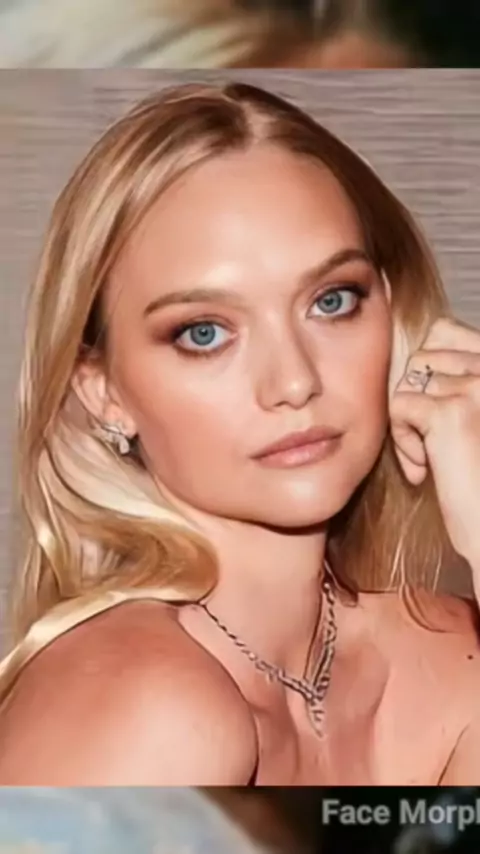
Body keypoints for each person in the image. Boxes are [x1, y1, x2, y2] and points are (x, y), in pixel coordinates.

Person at [0, 81, 480, 785]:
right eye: (204, 333)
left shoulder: (447, 656)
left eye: (332, 301)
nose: (294, 381)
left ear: (391, 310)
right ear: (103, 391)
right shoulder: (145, 705)